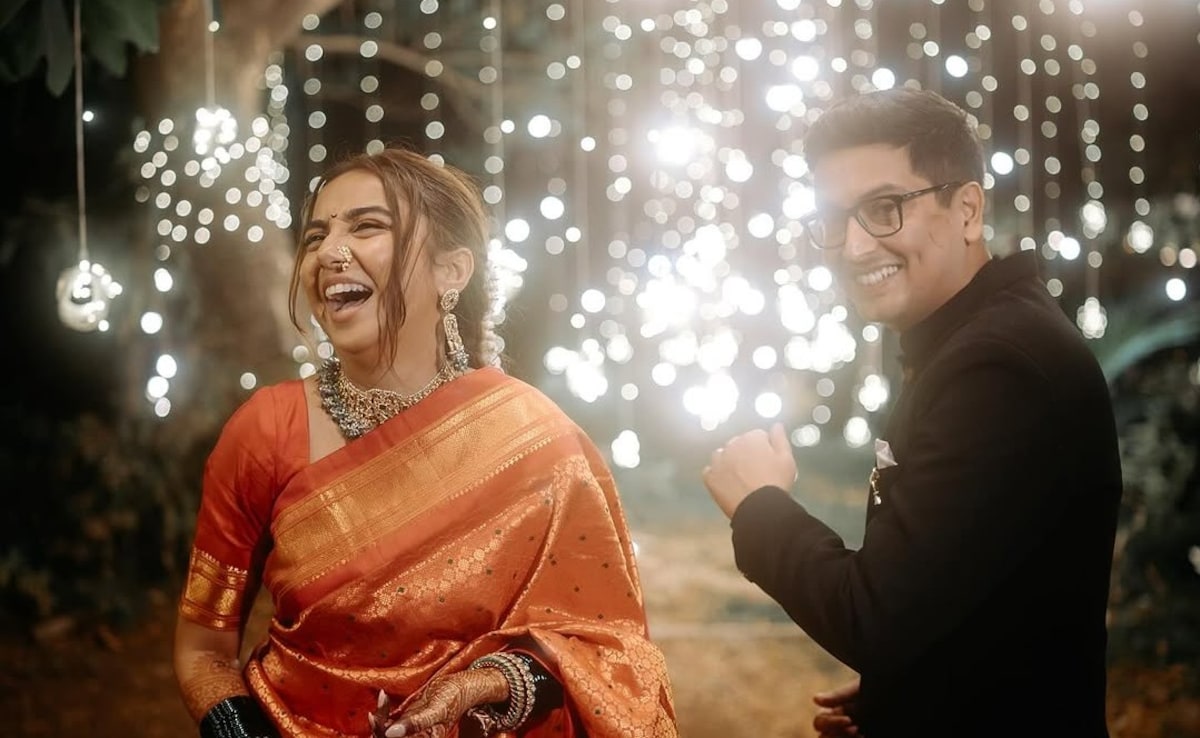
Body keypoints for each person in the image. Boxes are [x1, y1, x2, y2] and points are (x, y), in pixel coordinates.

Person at [173, 146, 678, 738]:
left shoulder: (536, 440)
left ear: (451, 271)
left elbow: (608, 649)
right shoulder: (265, 430)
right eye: (316, 236)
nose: (330, 252)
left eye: (367, 226)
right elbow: (202, 649)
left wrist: (485, 684)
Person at [702, 87, 1123, 736]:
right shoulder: (972, 339)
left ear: (967, 210)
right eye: (834, 218)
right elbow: (981, 584)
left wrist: (760, 507)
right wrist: (907, 692)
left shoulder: (997, 368)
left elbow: (877, 617)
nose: (855, 247)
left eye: (885, 208)